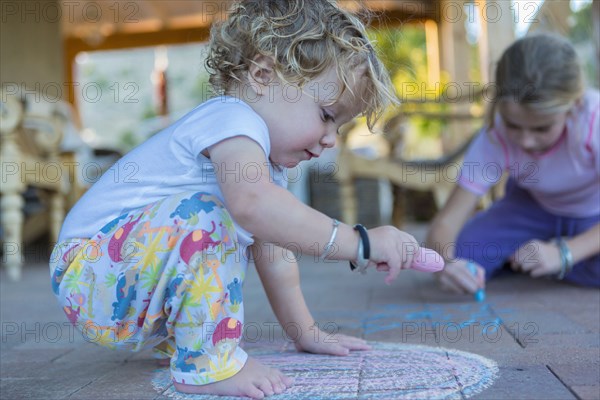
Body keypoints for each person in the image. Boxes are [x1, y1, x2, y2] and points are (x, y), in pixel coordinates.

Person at [49, 1, 422, 398]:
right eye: (327, 115)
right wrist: (360, 243)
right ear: (262, 75)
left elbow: (276, 255)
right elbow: (254, 206)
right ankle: (210, 365)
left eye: (341, 127)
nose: (332, 139)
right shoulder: (230, 119)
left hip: (119, 280)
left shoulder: (260, 164)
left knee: (218, 221)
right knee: (205, 217)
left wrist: (306, 332)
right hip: (88, 270)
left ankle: (187, 340)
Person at [426, 33, 600, 295]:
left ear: (573, 105)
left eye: (542, 128)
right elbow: (446, 223)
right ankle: (532, 256)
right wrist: (447, 265)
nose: (526, 141)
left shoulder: (593, 120)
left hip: (593, 214)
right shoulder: (495, 135)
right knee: (466, 252)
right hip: (531, 207)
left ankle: (540, 257)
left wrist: (564, 253)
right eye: (513, 125)